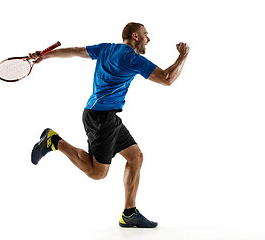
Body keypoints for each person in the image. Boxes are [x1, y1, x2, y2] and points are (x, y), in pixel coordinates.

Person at [29, 22, 189, 228]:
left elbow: (77, 51)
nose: (149, 39)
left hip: (106, 116)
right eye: (146, 35)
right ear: (135, 36)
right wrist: (182, 56)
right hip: (101, 118)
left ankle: (129, 213)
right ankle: (54, 141)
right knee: (97, 173)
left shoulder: (107, 48)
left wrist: (45, 55)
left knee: (135, 156)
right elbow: (167, 79)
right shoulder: (132, 58)